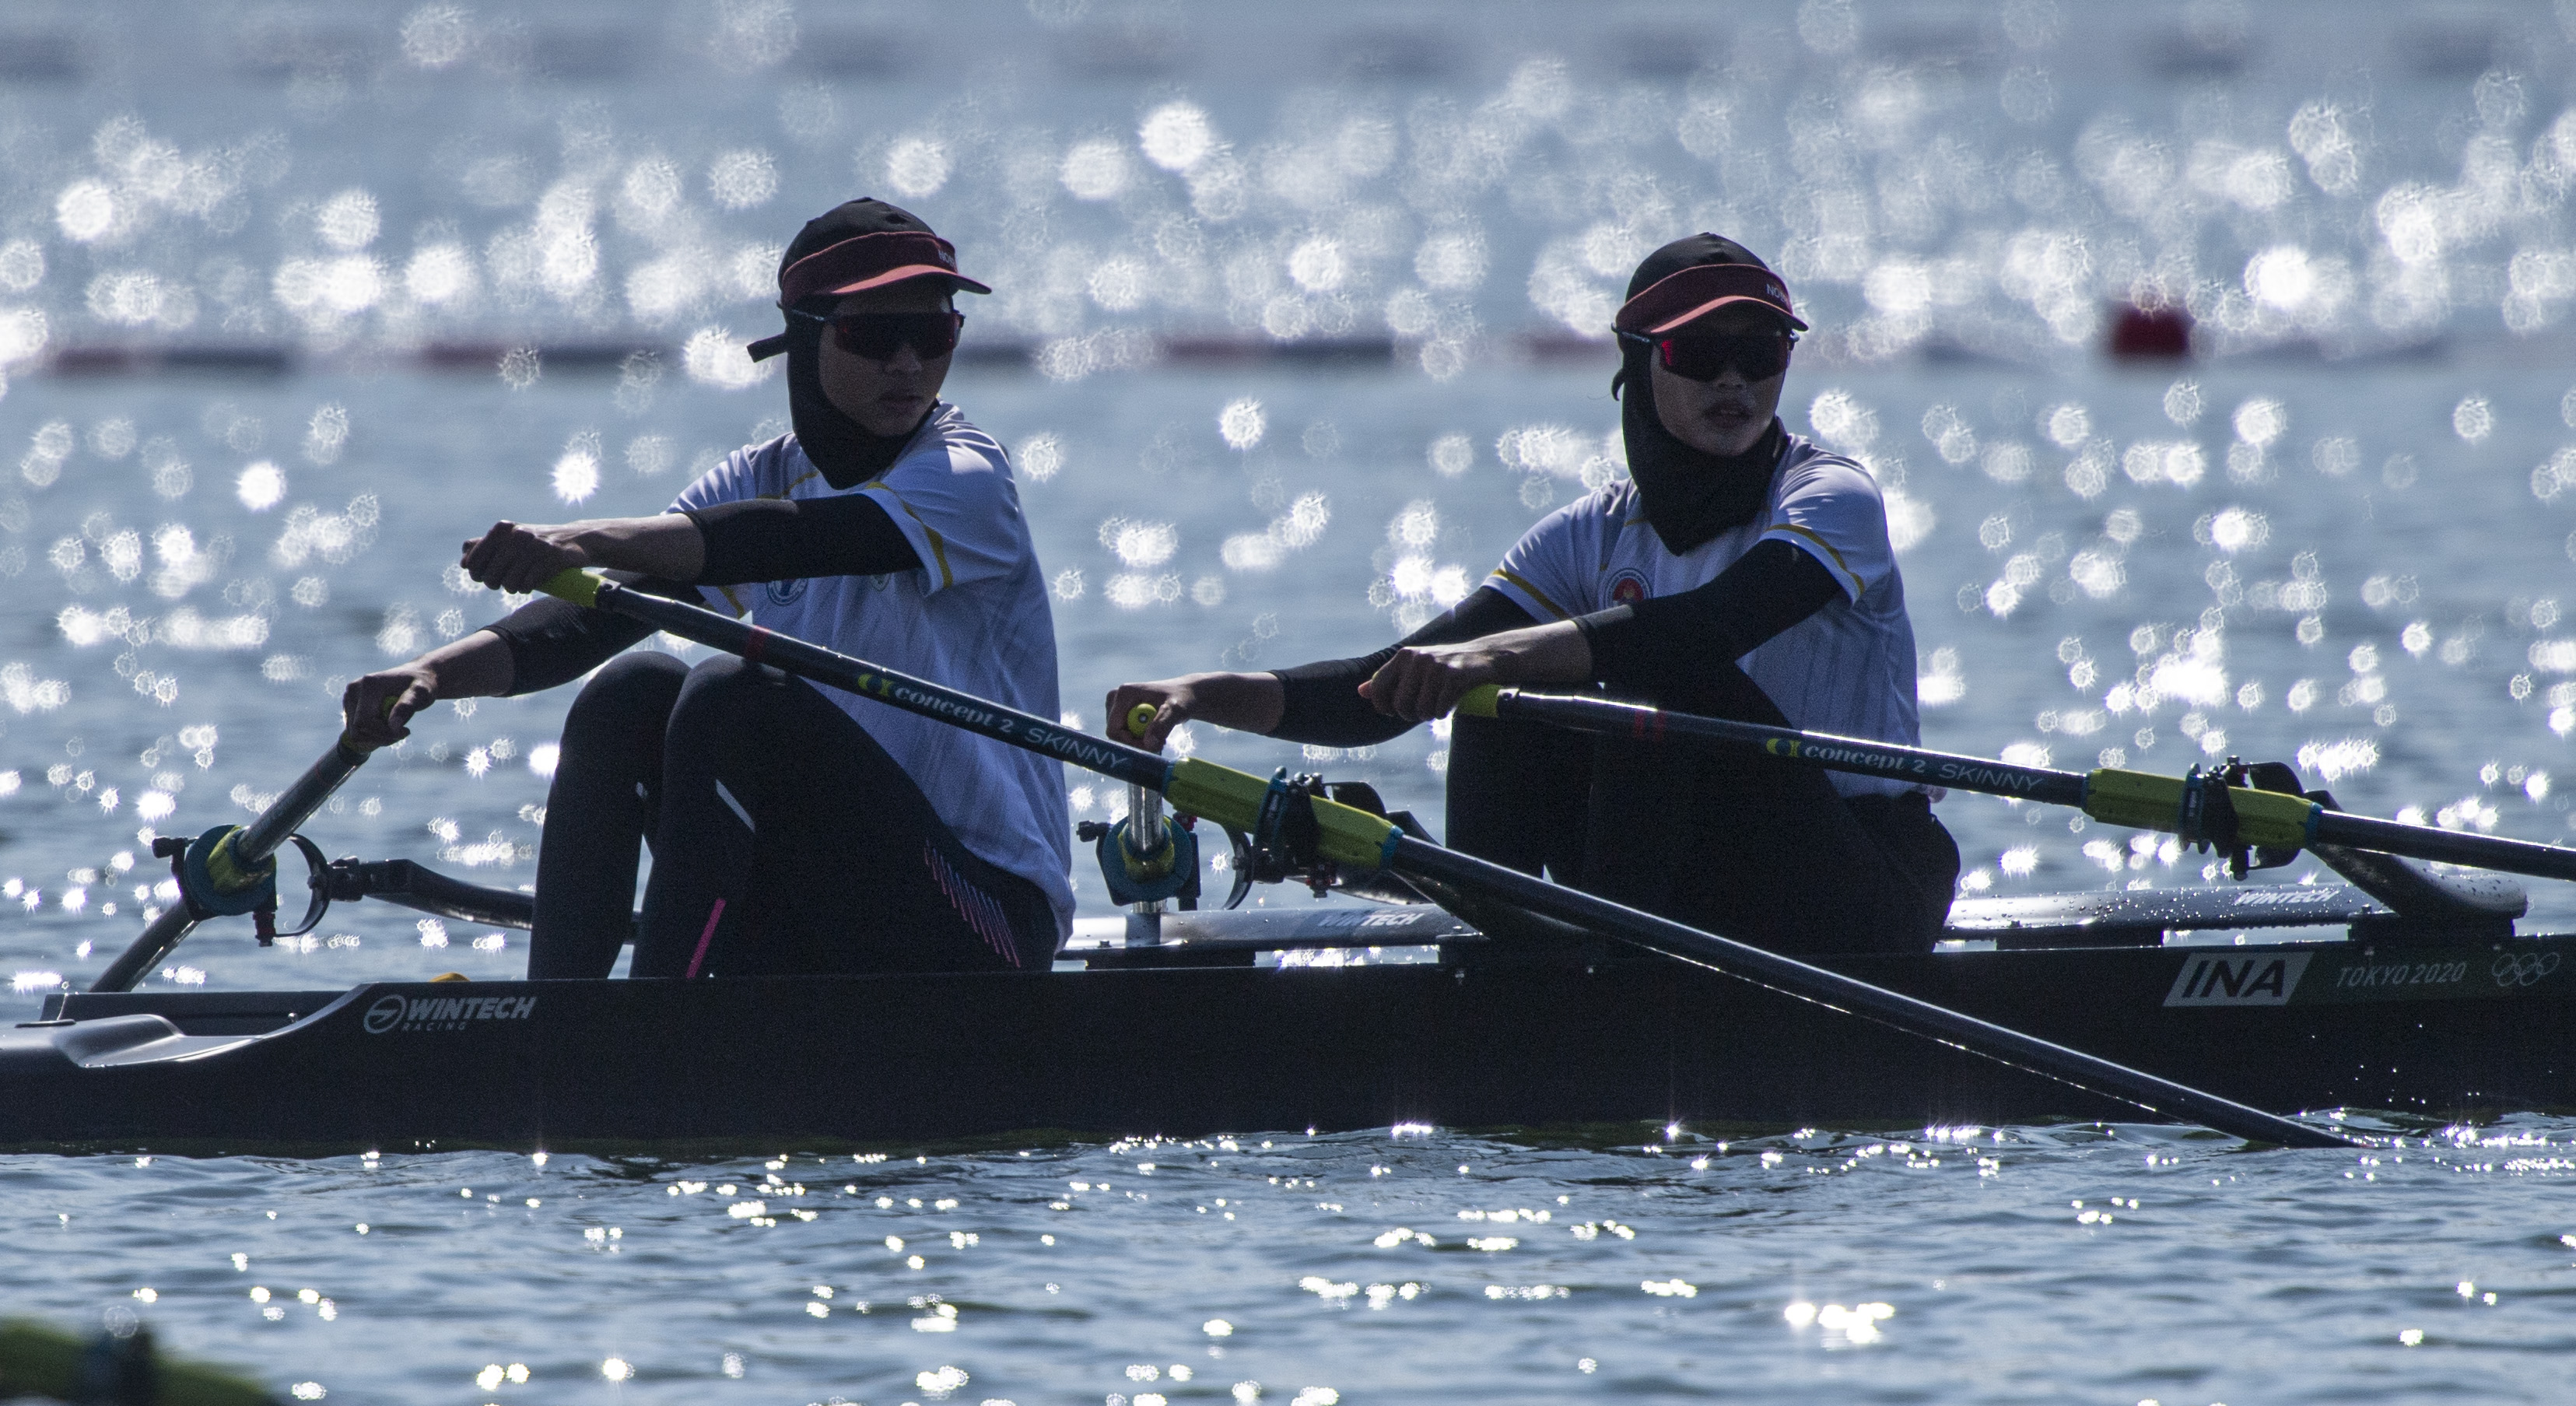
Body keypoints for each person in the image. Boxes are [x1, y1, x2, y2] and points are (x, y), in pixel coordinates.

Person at [1109, 235, 1957, 956]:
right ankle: (1508, 949)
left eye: (1761, 352)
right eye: (1700, 355)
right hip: (1704, 879)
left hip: (1864, 885)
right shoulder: (1586, 536)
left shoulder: (1828, 496)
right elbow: (1385, 687)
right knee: (1488, 695)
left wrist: (1498, 653)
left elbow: (1701, 630)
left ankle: (1594, 980)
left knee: (1643, 680)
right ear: (1637, 363)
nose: (1733, 380)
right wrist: (1197, 695)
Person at [343, 198, 1071, 980]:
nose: (907, 363)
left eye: (931, 334)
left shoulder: (967, 476)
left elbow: (799, 536)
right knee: (631, 689)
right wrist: (433, 673)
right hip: (833, 912)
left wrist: (580, 537)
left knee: (732, 695)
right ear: (803, 333)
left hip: (986, 924)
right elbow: (592, 618)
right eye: (873, 333)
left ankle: (656, 1043)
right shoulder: (761, 475)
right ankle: (560, 1035)